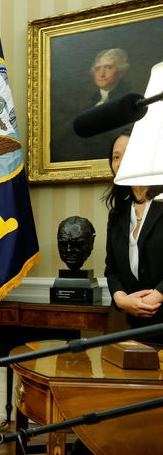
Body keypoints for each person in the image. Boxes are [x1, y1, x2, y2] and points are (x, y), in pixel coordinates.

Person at [103, 132, 163, 342]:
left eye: (128, 154)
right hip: (132, 326)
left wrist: (157, 296)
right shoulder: (117, 214)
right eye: (116, 157)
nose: (120, 162)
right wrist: (122, 300)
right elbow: (112, 270)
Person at [51, 48, 133, 163]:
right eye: (98, 69)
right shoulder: (89, 104)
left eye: (108, 67)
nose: (101, 74)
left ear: (121, 71)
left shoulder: (129, 103)